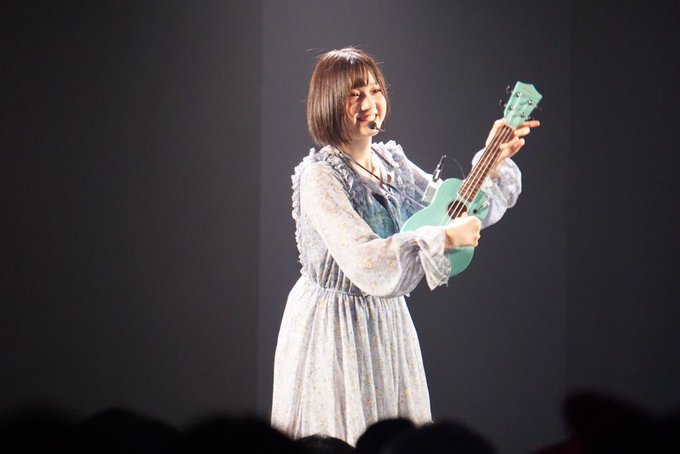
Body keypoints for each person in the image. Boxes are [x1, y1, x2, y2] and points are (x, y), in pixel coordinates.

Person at [271, 47, 539, 446]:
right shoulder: (321, 177)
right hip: (335, 324)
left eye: (375, 91)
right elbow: (364, 258)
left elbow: (447, 209)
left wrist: (492, 158)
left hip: (385, 318)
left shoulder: (390, 162)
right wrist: (444, 238)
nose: (369, 103)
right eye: (355, 95)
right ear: (330, 103)